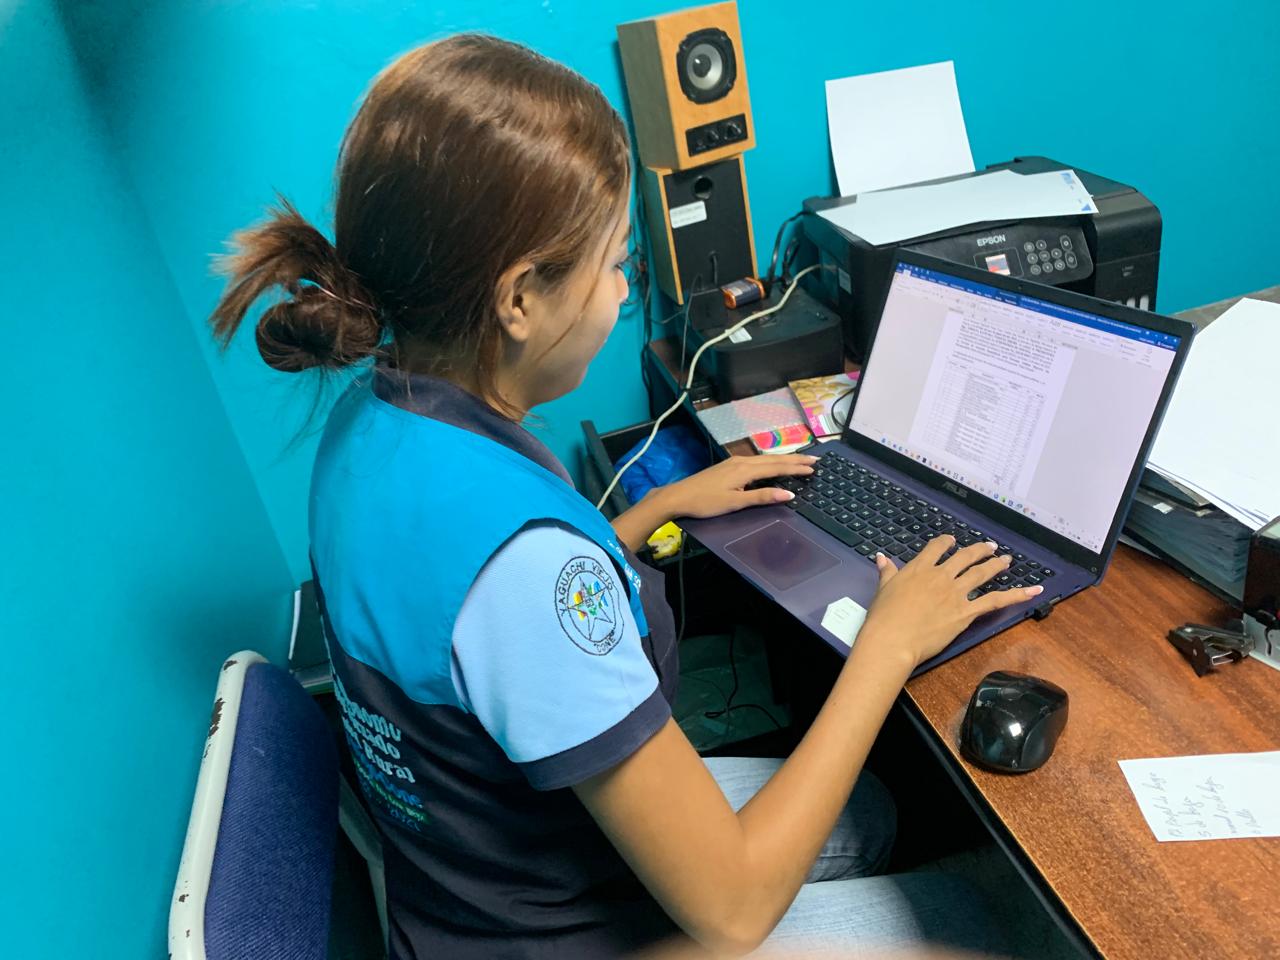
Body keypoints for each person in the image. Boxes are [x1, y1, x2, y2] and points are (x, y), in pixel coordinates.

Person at [209, 34, 1036, 960]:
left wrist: (652, 512)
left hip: (470, 878)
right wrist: (888, 644)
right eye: (612, 264)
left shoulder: (367, 423)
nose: (619, 290)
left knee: (871, 810)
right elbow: (734, 908)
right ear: (520, 298)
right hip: (554, 935)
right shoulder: (529, 571)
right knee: (977, 925)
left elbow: (470, 622)